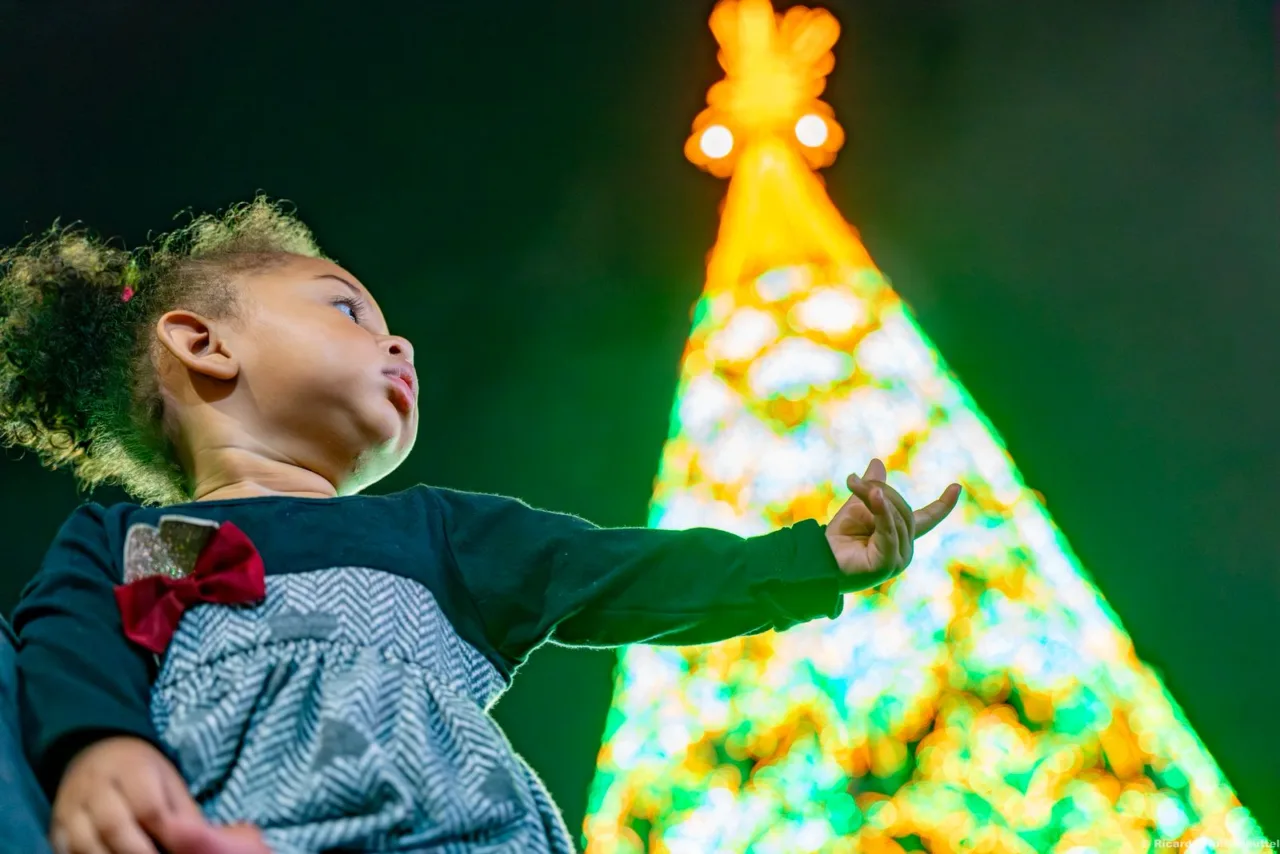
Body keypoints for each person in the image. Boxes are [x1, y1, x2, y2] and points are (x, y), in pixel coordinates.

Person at [1, 196, 961, 854]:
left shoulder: (438, 535)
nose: (399, 339)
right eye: (347, 309)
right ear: (202, 345)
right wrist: (99, 750)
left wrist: (805, 559)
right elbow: (72, 643)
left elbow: (621, 575)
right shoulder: (149, 543)